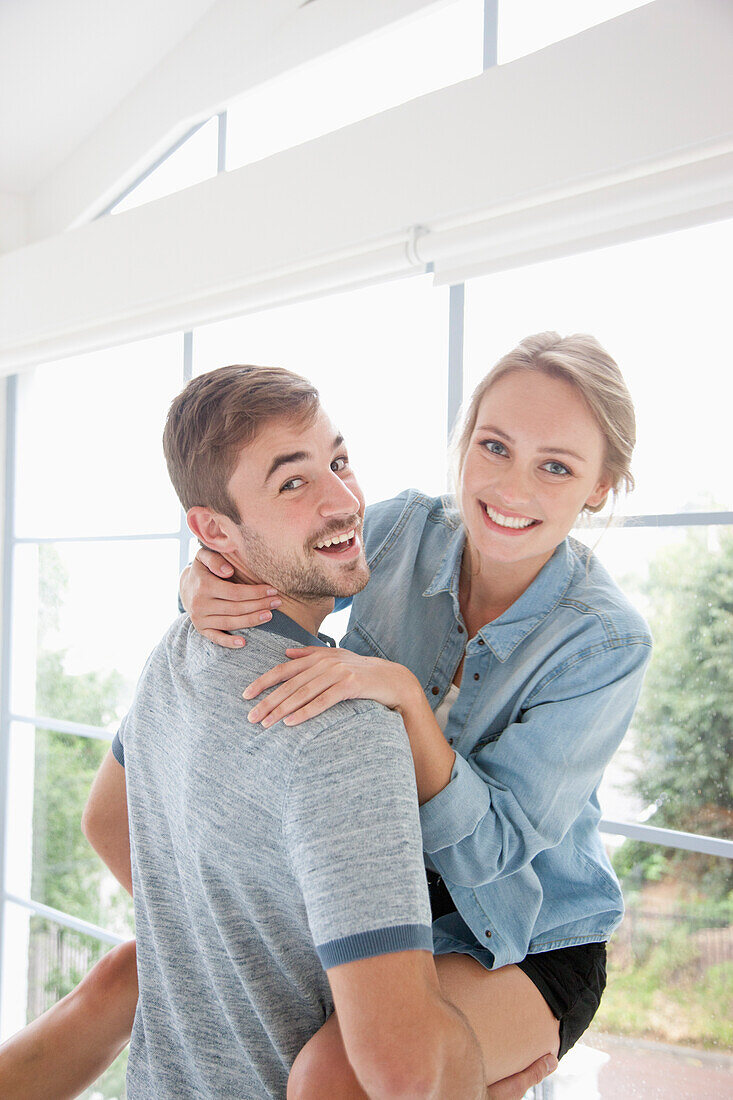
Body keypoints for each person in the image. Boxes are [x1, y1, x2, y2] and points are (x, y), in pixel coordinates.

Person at [0, 364, 556, 1100]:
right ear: (212, 530)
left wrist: (217, 950)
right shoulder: (347, 732)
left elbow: (106, 822)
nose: (343, 499)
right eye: (292, 483)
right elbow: (407, 1071)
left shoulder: (181, 650)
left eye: (339, 460)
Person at [181, 331, 653, 1093]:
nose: (510, 489)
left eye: (556, 466)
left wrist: (403, 696)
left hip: (526, 931)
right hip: (385, 896)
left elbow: (492, 852)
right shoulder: (399, 530)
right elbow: (281, 564)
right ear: (464, 442)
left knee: (332, 1079)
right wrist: (202, 581)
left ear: (599, 486)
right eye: (493, 446)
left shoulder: (604, 642)